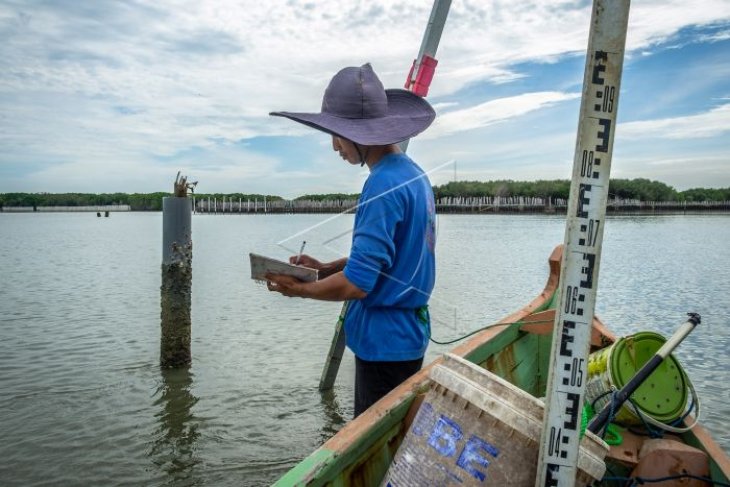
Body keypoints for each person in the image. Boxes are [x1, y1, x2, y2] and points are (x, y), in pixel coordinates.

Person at [266, 63, 437, 417]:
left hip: (384, 346)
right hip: (407, 337)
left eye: (337, 134)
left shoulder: (381, 185)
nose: (334, 146)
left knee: (371, 442)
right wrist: (326, 268)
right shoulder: (413, 175)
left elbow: (359, 284)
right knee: (392, 435)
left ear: (360, 134)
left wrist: (298, 290)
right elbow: (391, 262)